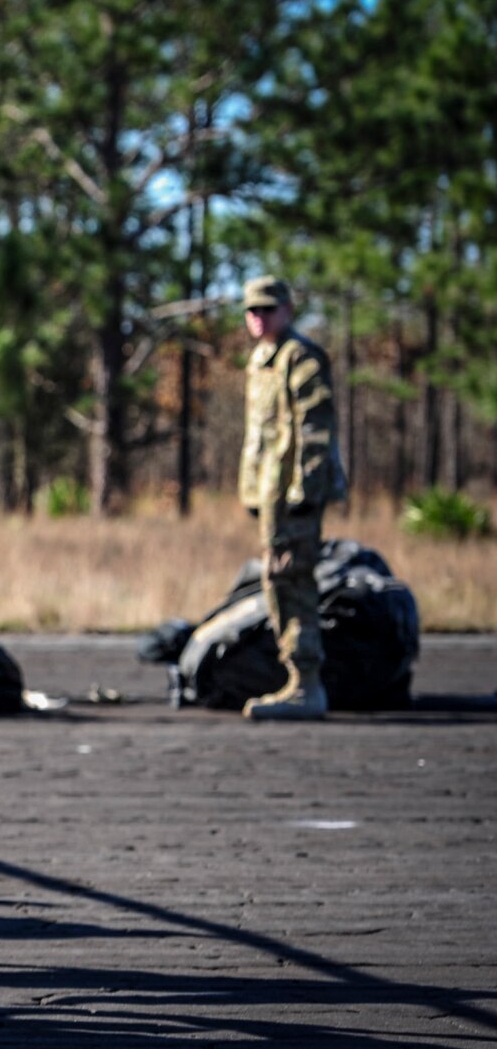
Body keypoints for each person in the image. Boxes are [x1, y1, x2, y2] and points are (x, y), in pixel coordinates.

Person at [238, 275, 345, 722]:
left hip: (295, 495)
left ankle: (306, 683)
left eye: (268, 309)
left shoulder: (300, 358)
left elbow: (314, 429)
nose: (259, 318)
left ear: (287, 310)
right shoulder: (263, 359)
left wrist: (306, 491)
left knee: (292, 579)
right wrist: (252, 492)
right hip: (271, 494)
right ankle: (297, 679)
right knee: (277, 581)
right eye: (252, 311)